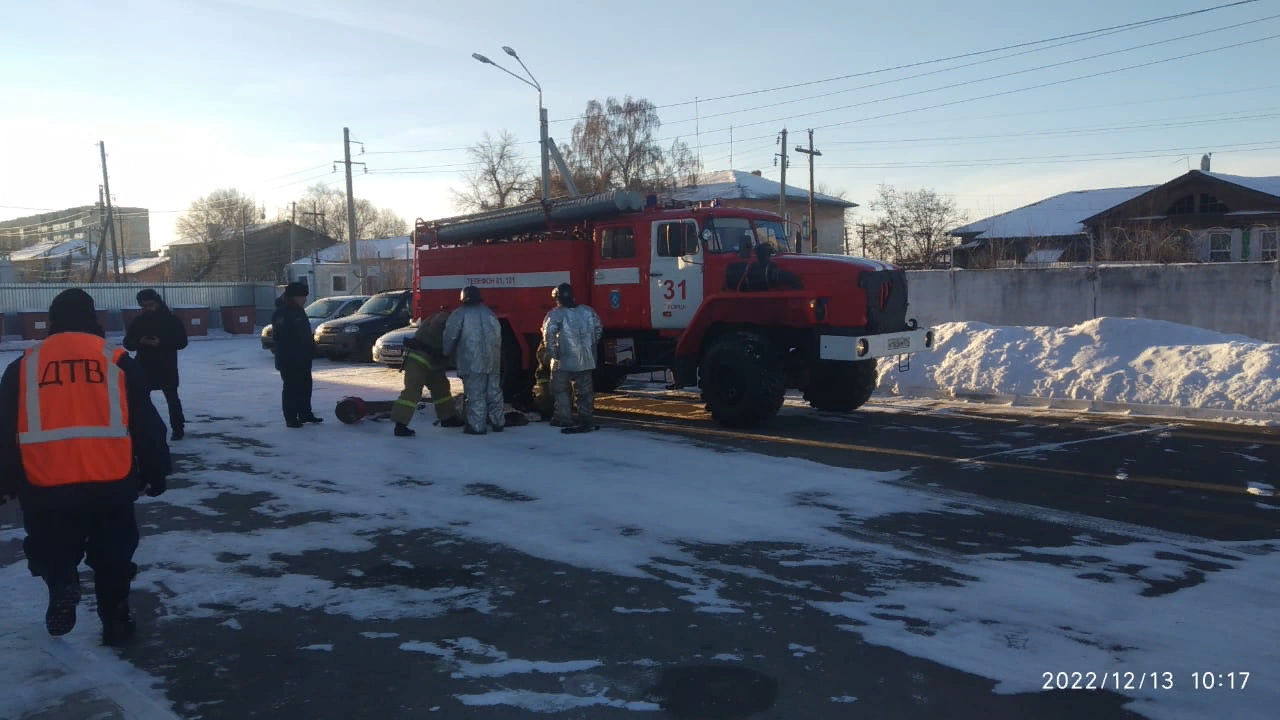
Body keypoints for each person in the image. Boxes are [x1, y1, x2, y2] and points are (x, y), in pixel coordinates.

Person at [0, 288, 171, 646]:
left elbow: (4, 428)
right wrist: (156, 469)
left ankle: (61, 580)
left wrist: (5, 479)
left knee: (51, 547)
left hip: (45, 483)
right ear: (93, 319)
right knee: (113, 556)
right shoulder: (117, 360)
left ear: (52, 321)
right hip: (110, 480)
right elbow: (145, 421)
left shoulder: (24, 366)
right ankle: (116, 621)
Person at [123, 288, 189, 440]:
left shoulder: (171, 320)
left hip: (166, 366)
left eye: (151, 305)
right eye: (145, 306)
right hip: (144, 366)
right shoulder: (139, 321)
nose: (149, 308)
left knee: (172, 399)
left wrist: (161, 342)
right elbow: (128, 343)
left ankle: (178, 429)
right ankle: (142, 430)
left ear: (158, 302)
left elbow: (182, 342)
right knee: (140, 400)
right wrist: (139, 341)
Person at [391, 307, 464, 437]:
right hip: (420, 359)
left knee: (441, 388)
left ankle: (448, 418)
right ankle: (400, 425)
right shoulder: (447, 322)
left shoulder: (438, 317)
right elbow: (449, 345)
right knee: (412, 391)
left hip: (431, 360)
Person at [541, 283, 603, 433]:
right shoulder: (588, 311)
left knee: (560, 390)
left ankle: (563, 418)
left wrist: (553, 353)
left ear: (557, 298)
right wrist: (590, 346)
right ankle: (586, 417)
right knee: (585, 391)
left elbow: (548, 335)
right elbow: (598, 328)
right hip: (586, 360)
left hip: (563, 359)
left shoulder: (555, 314)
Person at [441, 286, 504, 435]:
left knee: (475, 394)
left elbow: (450, 336)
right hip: (493, 361)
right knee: (494, 391)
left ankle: (477, 426)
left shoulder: (459, 314)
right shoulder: (490, 313)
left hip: (471, 361)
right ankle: (498, 422)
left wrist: (445, 352)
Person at [272, 282, 321, 428]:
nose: (304, 300)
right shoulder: (282, 312)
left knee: (305, 386)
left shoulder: (298, 310)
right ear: (293, 297)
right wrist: (296, 348)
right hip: (289, 358)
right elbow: (282, 336)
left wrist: (311, 347)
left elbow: (303, 333)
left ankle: (305, 414)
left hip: (303, 357)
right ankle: (291, 418)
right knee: (291, 388)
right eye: (302, 297)